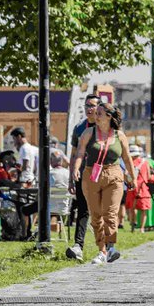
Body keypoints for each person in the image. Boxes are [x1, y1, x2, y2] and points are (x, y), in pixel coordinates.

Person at [71, 102, 138, 265]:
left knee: (111, 213)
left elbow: (127, 158)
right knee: (96, 215)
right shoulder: (88, 132)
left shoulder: (119, 135)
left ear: (109, 116)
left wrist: (133, 177)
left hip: (114, 174)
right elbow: (80, 153)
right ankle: (101, 251)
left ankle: (111, 247)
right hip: (91, 175)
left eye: (99, 113)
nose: (96, 115)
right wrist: (76, 168)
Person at [65, 95, 99, 260]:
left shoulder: (104, 126)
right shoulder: (79, 128)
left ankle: (106, 247)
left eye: (92, 105)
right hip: (82, 174)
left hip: (100, 175)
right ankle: (78, 246)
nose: (88, 109)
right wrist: (71, 177)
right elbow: (73, 154)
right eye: (86, 105)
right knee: (82, 210)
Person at [125, 145, 154, 232]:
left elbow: (126, 175)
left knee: (132, 208)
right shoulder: (145, 162)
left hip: (132, 187)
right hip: (143, 187)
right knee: (143, 210)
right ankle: (142, 228)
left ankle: (133, 227)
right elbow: (148, 177)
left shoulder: (130, 162)